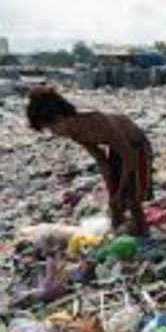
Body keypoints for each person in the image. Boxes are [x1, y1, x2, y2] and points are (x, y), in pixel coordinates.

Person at [27, 87, 153, 235]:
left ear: (60, 118)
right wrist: (113, 190)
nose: (54, 133)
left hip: (135, 145)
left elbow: (128, 157)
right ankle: (118, 233)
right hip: (117, 150)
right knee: (115, 204)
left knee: (133, 198)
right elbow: (101, 159)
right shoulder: (74, 133)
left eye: (51, 127)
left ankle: (143, 234)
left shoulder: (96, 122)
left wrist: (121, 189)